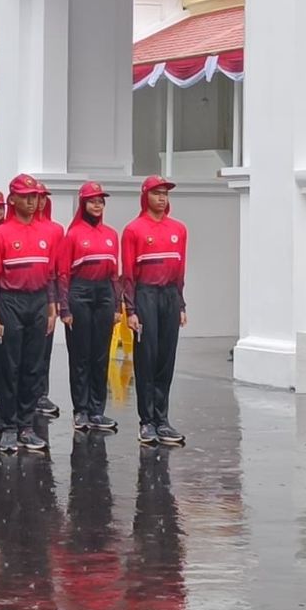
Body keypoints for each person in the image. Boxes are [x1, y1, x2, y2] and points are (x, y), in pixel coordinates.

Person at [0, 174, 55, 454]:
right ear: (12, 199)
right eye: (25, 196)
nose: (32, 201)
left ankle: (27, 425)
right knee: (9, 365)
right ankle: (9, 426)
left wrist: (52, 308)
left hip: (38, 301)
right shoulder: (0, 233)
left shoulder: (46, 233)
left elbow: (50, 275)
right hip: (10, 301)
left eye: (35, 196)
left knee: (33, 366)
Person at [122, 176, 188, 446]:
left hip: (170, 296)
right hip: (146, 295)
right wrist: (131, 309)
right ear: (145, 196)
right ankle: (146, 421)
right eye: (157, 193)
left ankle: (162, 420)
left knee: (166, 360)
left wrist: (181, 304)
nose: (162, 198)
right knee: (146, 359)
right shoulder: (134, 230)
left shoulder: (179, 229)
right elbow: (128, 273)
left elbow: (180, 271)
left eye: (165, 194)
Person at [58, 182, 120, 432]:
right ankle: (81, 410)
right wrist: (65, 307)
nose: (97, 204)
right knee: (81, 354)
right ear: (83, 204)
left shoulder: (111, 234)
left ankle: (97, 410)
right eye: (92, 200)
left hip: (104, 292)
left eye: (101, 200)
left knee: (101, 354)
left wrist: (117, 305)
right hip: (80, 291)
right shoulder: (73, 234)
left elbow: (115, 274)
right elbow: (63, 273)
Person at [33, 183, 64, 418]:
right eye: (37, 197)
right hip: (25, 291)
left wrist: (57, 300)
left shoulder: (55, 229)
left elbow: (57, 268)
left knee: (44, 346)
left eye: (44, 197)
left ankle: (41, 393)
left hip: (47, 290)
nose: (41, 201)